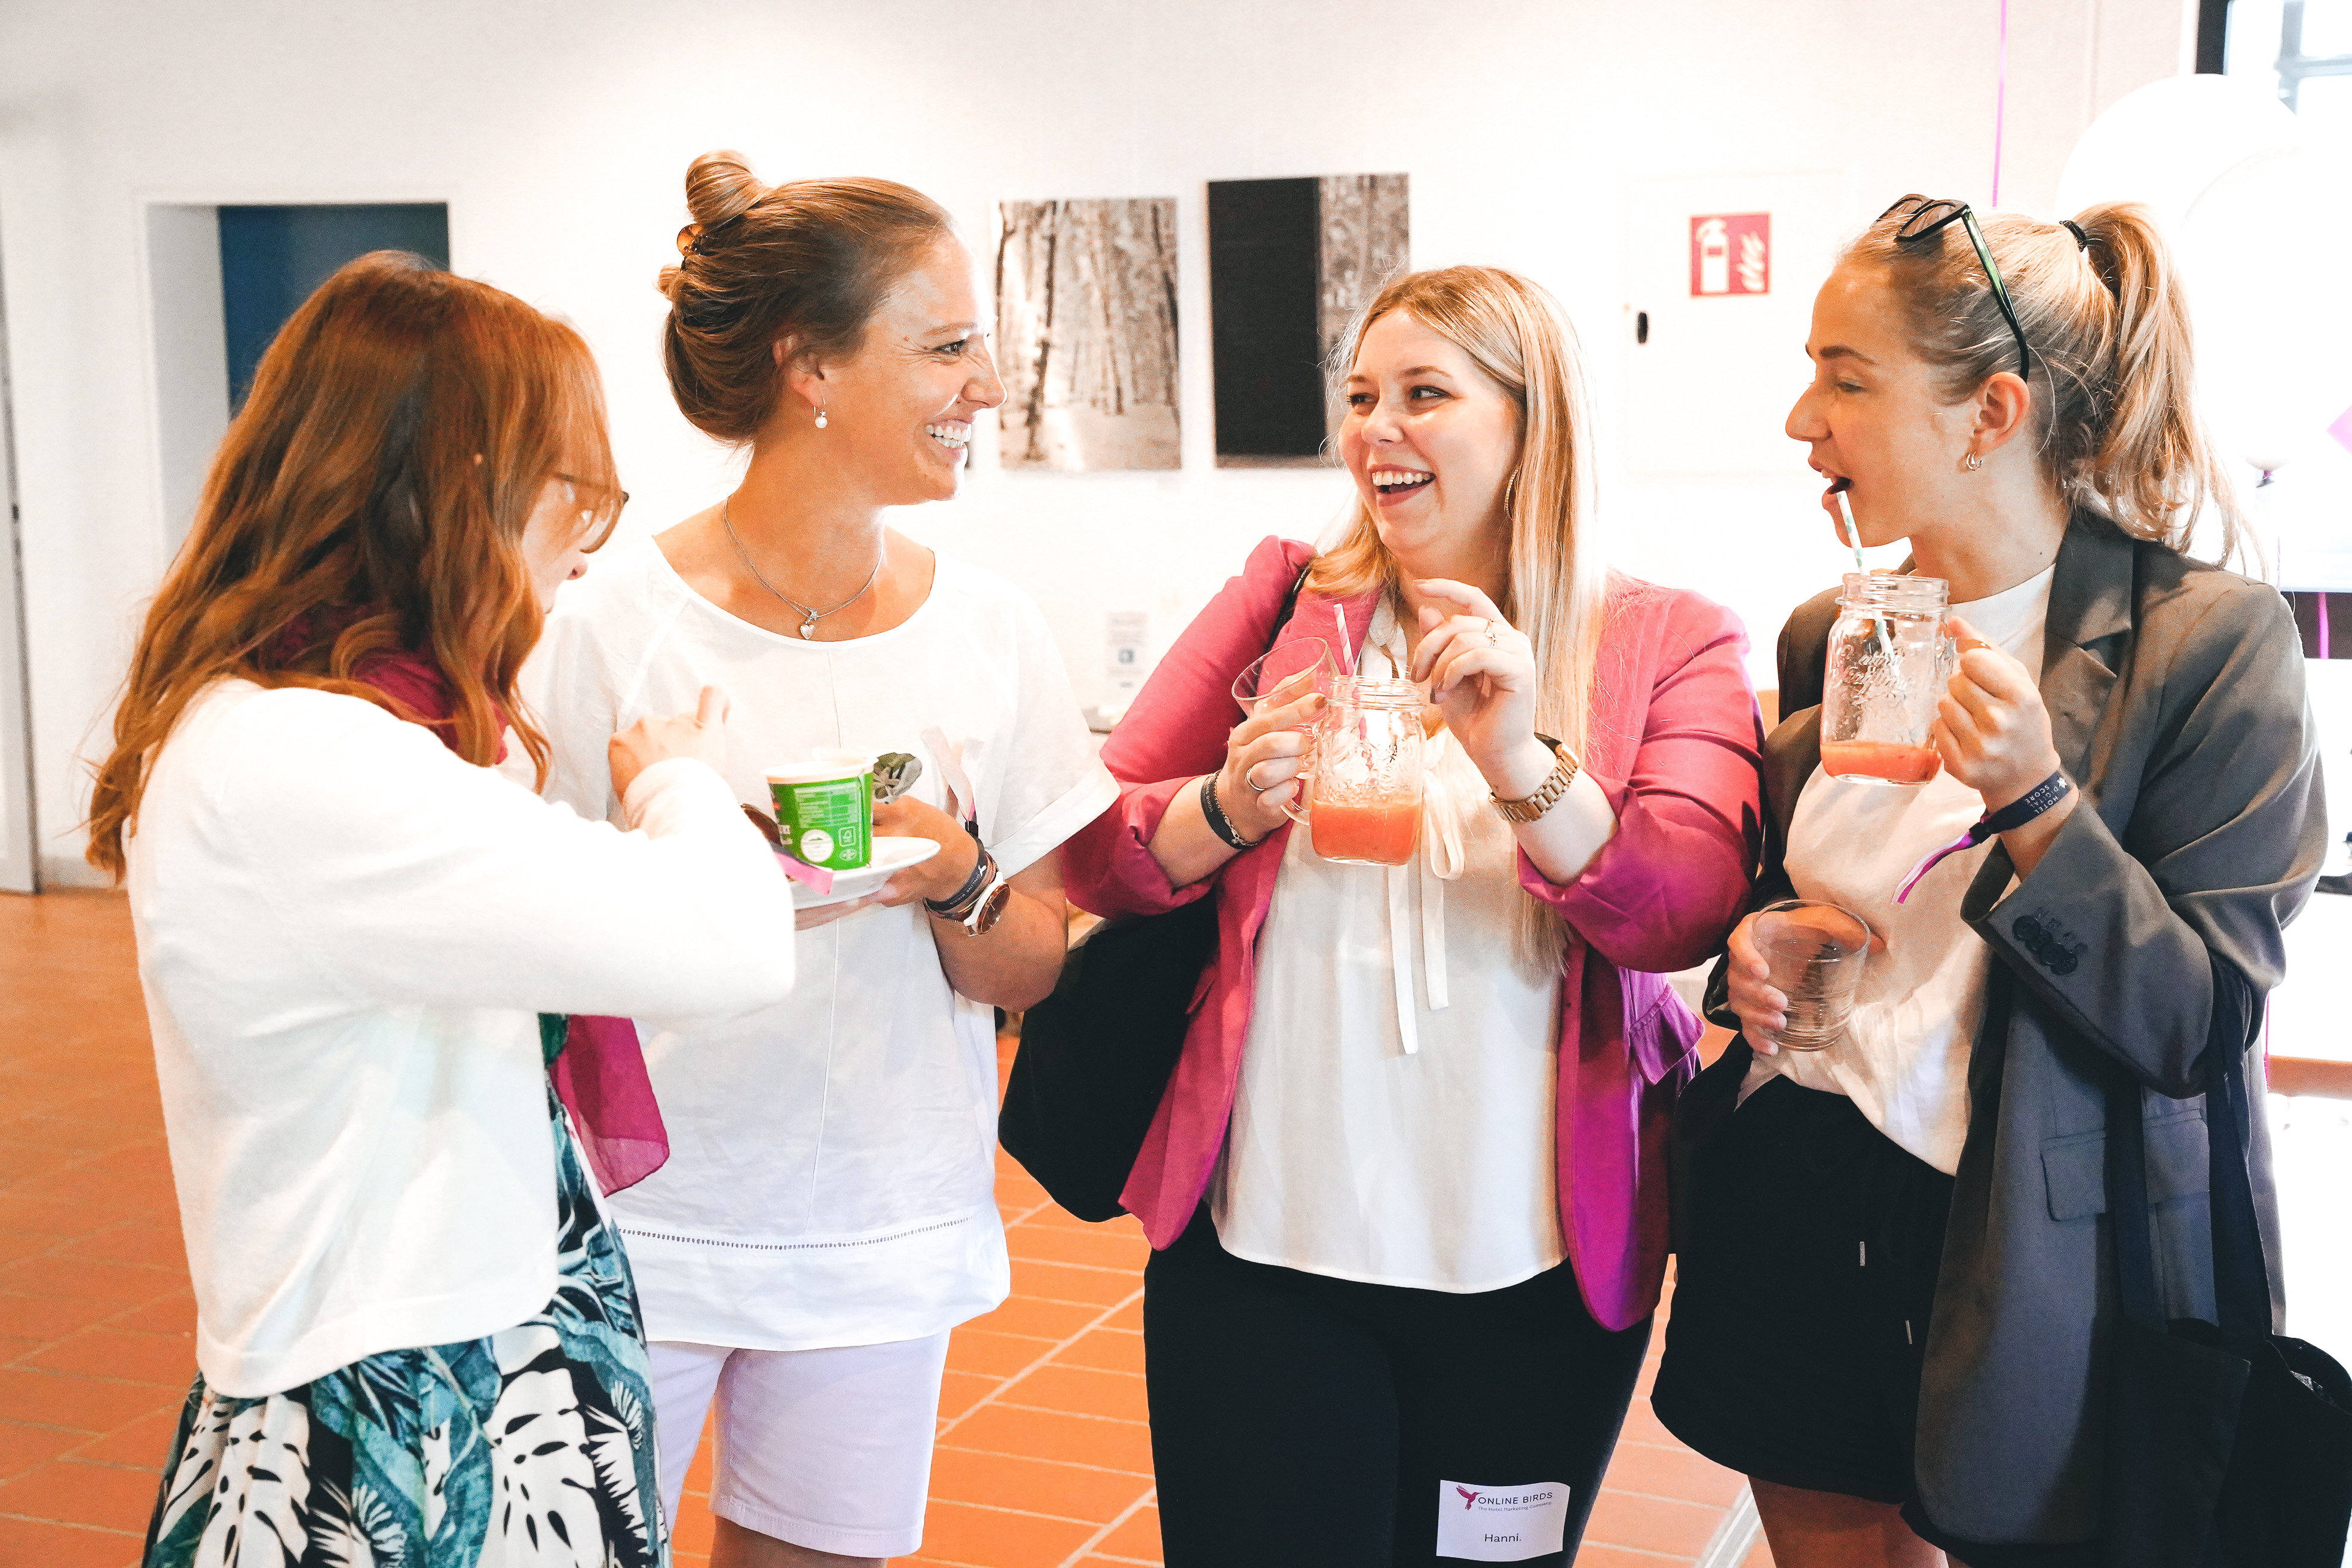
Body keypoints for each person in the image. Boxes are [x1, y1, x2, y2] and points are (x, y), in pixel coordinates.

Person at [87, 251, 797, 1565]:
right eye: (567, 493)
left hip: (456, 1353)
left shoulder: (316, 730)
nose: (581, 546)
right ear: (459, 490)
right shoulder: (309, 759)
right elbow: (730, 940)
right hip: (400, 1410)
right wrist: (690, 790)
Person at [1652, 198, 2328, 1567]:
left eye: (1846, 377)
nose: (1802, 420)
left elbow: (2196, 1021)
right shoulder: (1827, 635)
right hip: (1796, 1183)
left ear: (1991, 410)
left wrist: (2039, 804)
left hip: (2021, 1236)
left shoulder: (2202, 646)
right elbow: (1814, 900)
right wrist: (1757, 944)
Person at [1062, 265, 1765, 1566]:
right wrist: (1221, 807)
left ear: (1530, 421)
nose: (1376, 430)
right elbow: (1094, 850)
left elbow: (1685, 906)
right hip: (1267, 1246)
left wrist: (1521, 759)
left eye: (1425, 394)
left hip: (1529, 1265)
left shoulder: (1665, 635)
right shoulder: (1285, 600)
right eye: (1362, 396)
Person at [520, 153, 1116, 1567]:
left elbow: (1038, 956)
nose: (985, 385)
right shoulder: (612, 625)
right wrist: (678, 857)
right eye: (947, 345)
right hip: (641, 1228)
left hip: (881, 1226)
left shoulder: (990, 628)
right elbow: (531, 944)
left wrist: (956, 876)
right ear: (810, 367)